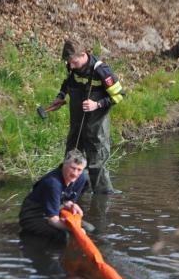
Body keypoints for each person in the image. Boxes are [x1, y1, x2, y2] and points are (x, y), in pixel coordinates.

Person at [49, 40, 125, 194]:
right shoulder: (72, 67)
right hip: (77, 123)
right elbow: (68, 82)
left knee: (96, 163)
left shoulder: (101, 71)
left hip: (96, 126)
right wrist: (61, 96)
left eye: (74, 62)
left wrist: (97, 104)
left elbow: (120, 95)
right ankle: (71, 192)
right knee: (71, 158)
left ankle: (102, 198)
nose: (71, 66)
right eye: (68, 62)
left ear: (83, 55)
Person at [19, 149, 87, 242]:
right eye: (72, 168)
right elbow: (53, 220)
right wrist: (76, 231)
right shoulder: (53, 183)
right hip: (33, 216)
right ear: (64, 164)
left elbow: (68, 200)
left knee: (89, 229)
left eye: (79, 169)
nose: (75, 173)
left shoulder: (81, 178)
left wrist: (72, 205)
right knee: (65, 236)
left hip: (56, 210)